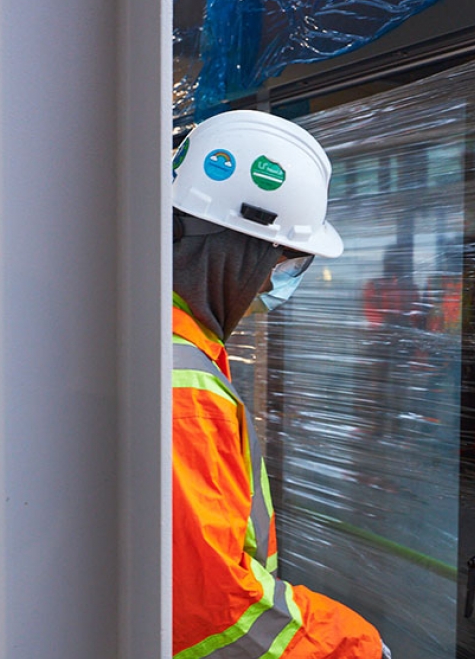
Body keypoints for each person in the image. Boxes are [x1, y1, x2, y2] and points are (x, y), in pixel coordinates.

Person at [170, 110, 386, 659]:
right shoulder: (184, 390)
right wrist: (354, 647)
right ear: (236, 249)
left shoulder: (150, 335)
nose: (275, 282)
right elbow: (208, 608)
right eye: (286, 261)